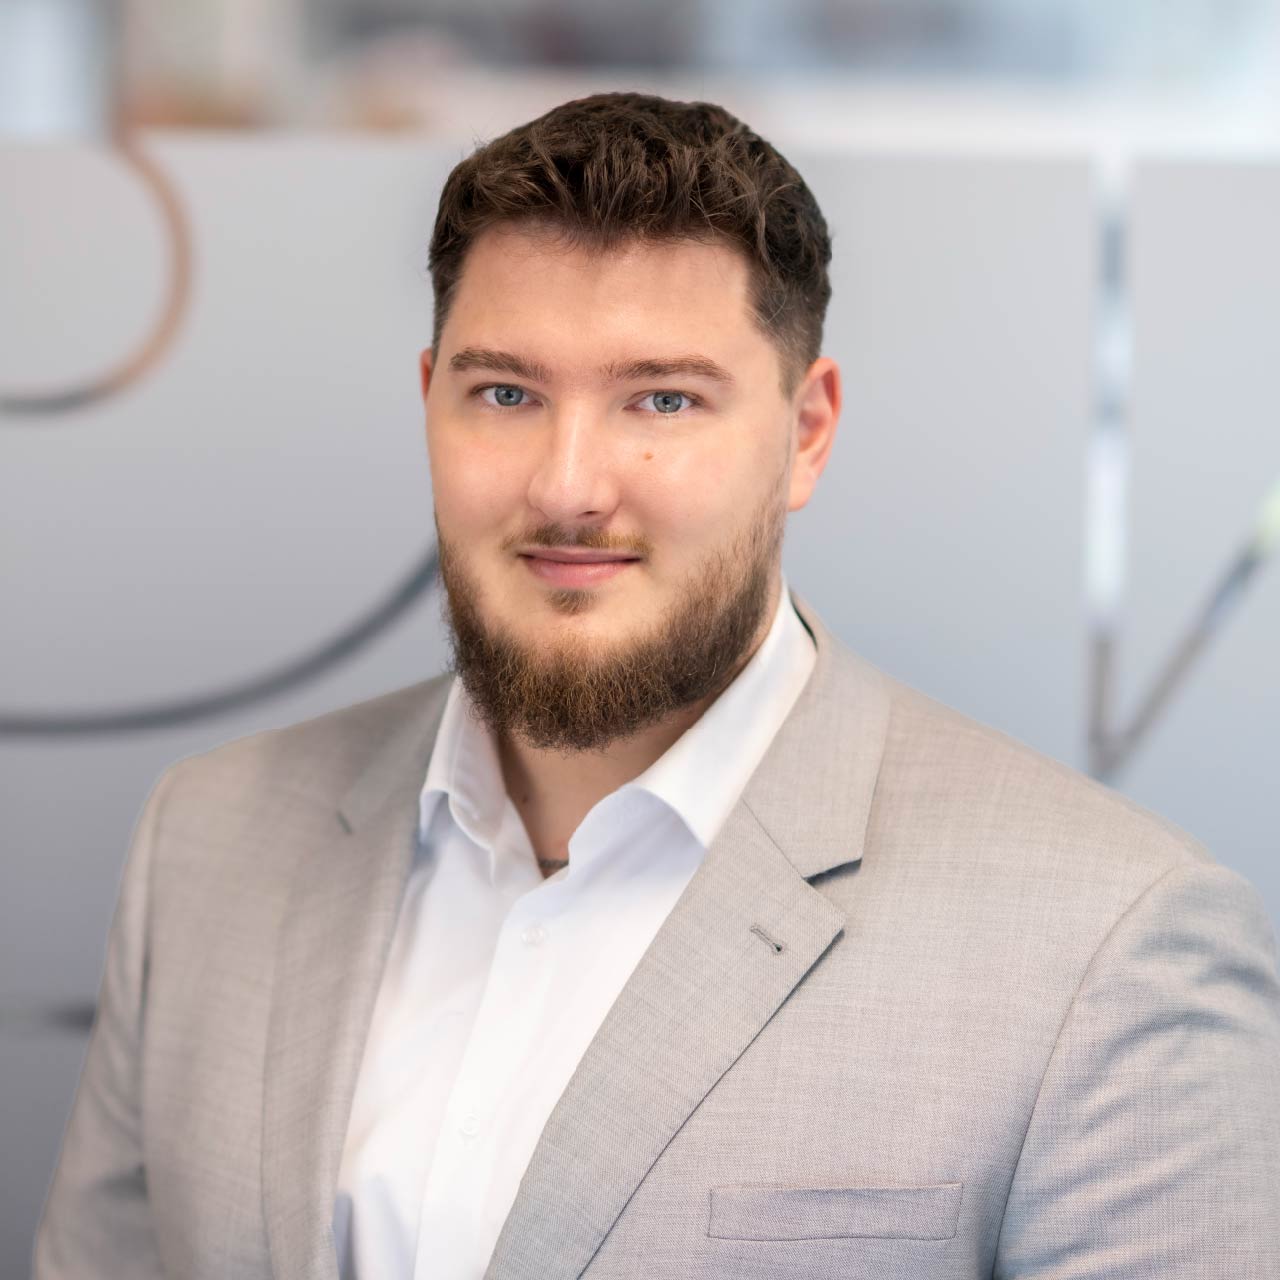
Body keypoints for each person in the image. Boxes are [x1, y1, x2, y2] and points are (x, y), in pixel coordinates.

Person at [33, 92, 1280, 1280]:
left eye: (663, 398)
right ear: (428, 402)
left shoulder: (1110, 946)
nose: (569, 485)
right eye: (505, 392)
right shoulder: (208, 840)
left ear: (805, 432)